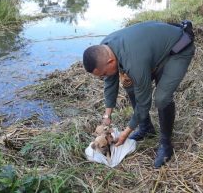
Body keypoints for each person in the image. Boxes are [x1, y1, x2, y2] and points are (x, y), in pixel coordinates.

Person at [82, 20, 195, 168]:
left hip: (178, 49)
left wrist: (127, 132)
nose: (103, 77)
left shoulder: (134, 62)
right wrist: (107, 116)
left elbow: (144, 102)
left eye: (103, 74)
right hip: (152, 50)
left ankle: (166, 143)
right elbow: (110, 82)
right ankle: (146, 128)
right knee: (129, 85)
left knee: (162, 98)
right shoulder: (104, 48)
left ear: (110, 62)